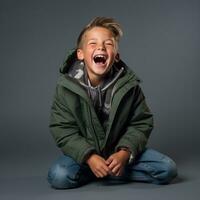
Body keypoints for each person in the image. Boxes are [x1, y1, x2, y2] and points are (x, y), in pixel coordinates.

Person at [47, 17, 177, 189]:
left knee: (167, 169)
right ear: (80, 54)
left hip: (120, 153)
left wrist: (125, 153)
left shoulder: (129, 86)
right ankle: (98, 169)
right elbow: (62, 128)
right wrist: (89, 157)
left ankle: (112, 169)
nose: (100, 47)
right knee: (59, 176)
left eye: (108, 44)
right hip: (85, 157)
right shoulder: (66, 87)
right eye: (93, 43)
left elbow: (141, 122)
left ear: (116, 56)